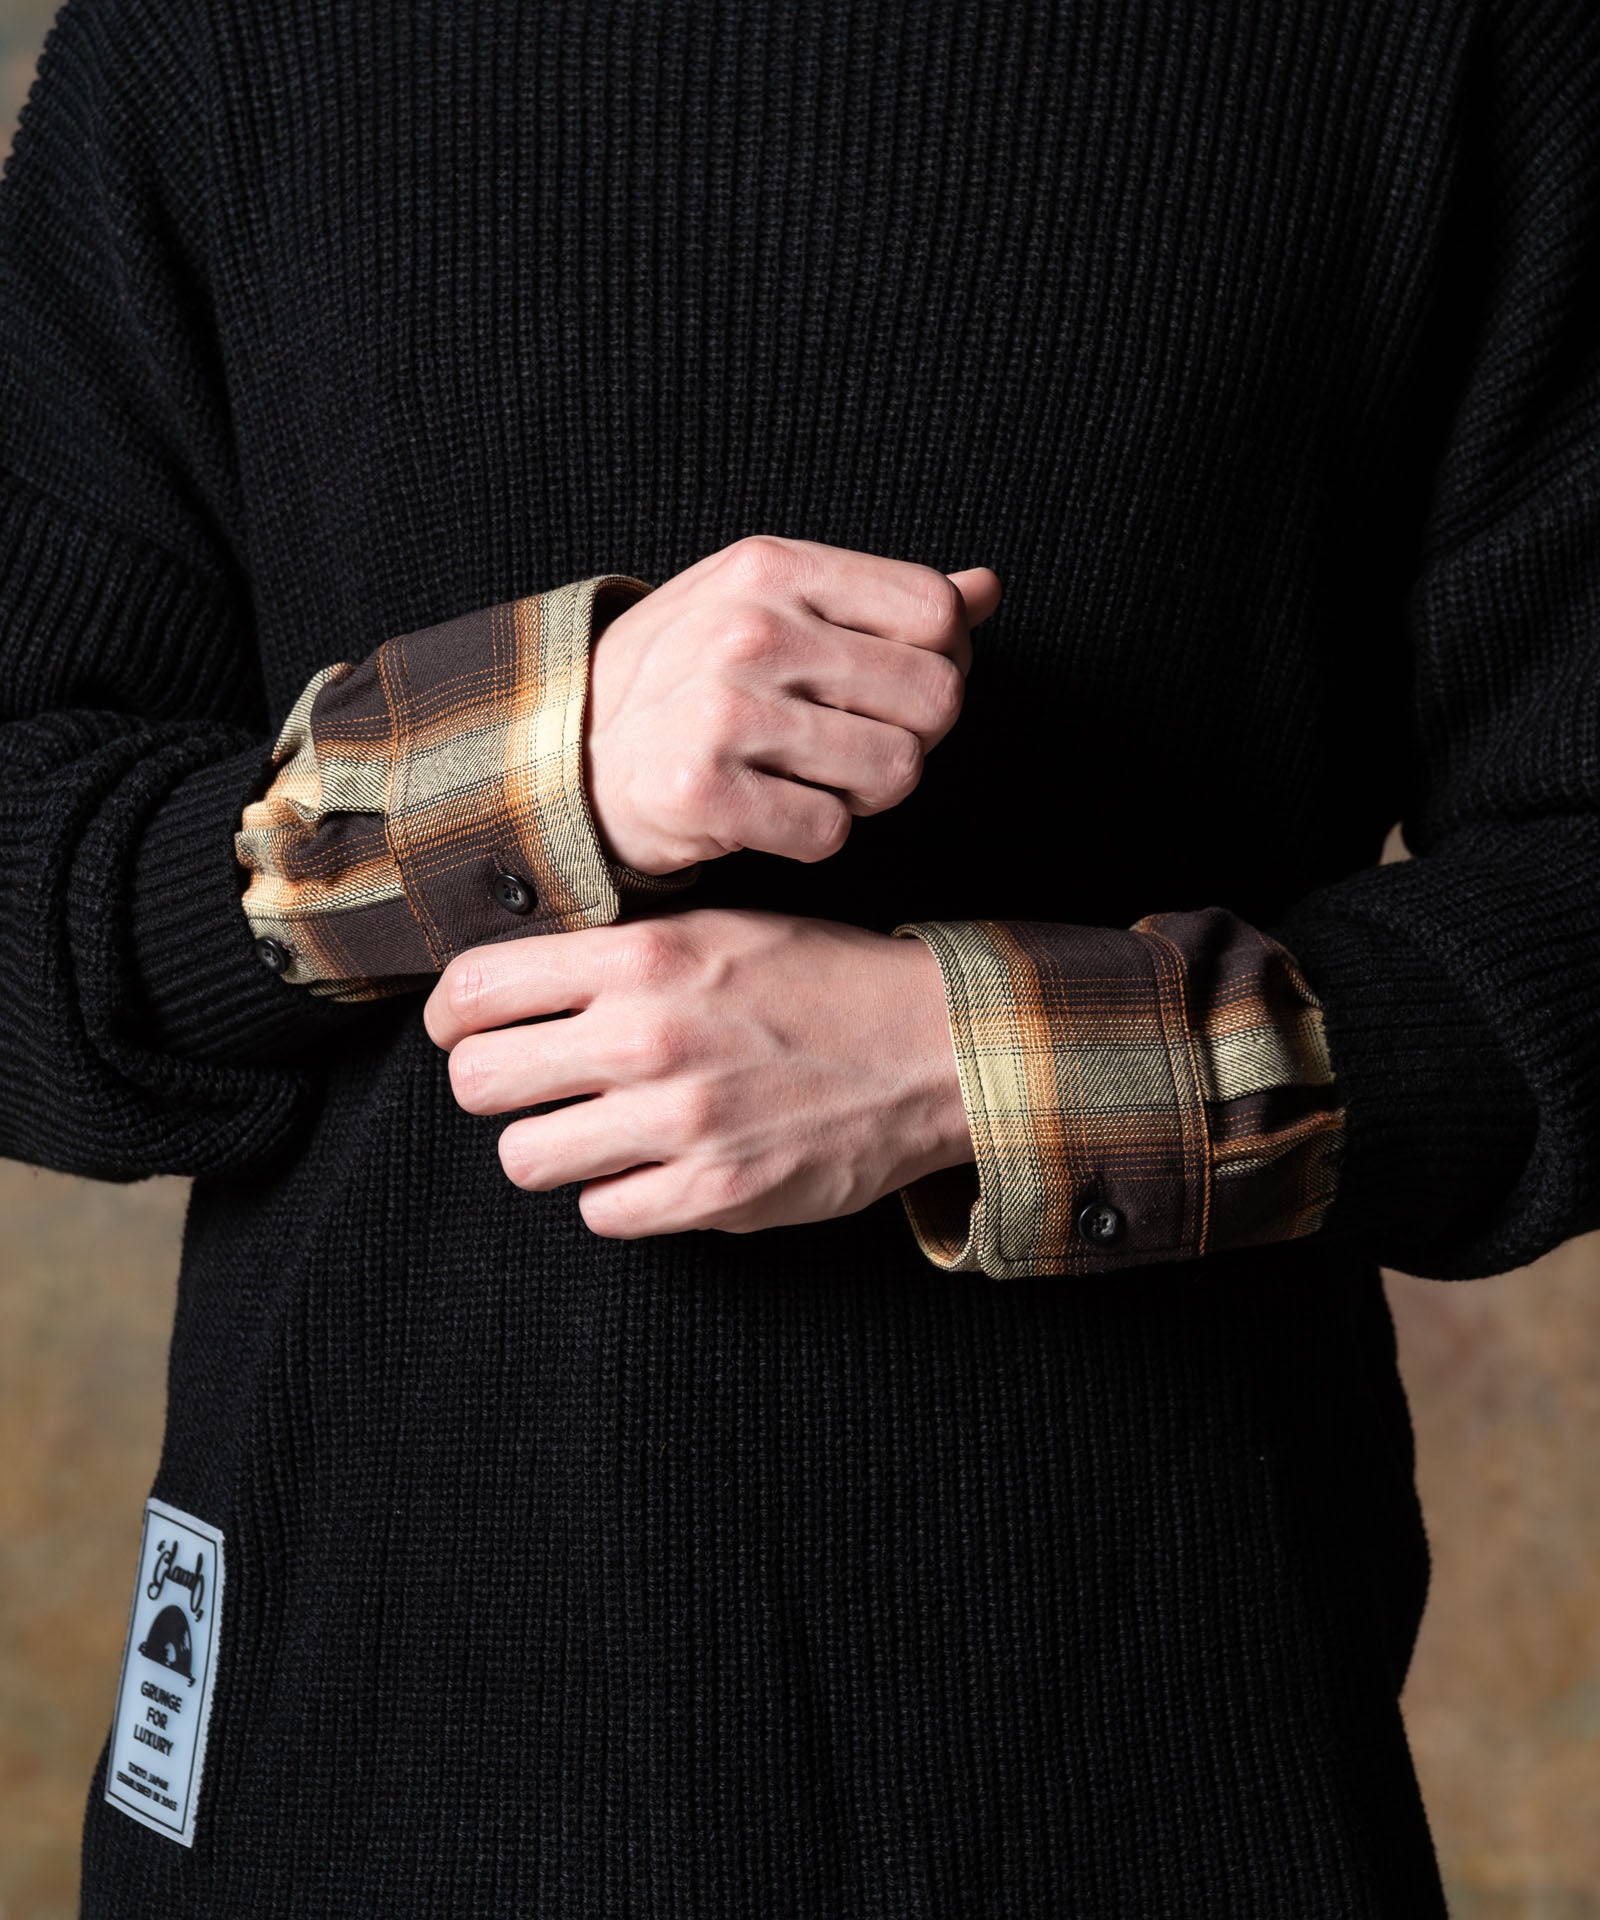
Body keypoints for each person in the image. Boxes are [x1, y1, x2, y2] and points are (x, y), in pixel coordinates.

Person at [1, 0, 1596, 1911]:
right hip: (339, 1765)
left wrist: (974, 1064)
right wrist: (524, 768)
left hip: (1156, 1768)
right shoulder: (213, 39)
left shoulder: (1454, 46)